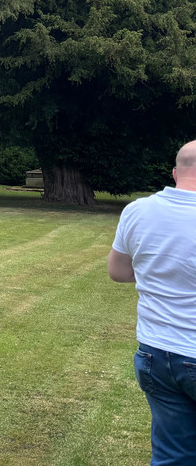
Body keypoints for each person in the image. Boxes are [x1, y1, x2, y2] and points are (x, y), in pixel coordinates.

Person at [110, 140, 196, 465]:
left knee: (173, 456)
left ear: (175, 172)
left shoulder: (137, 211)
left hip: (155, 354)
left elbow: (118, 271)